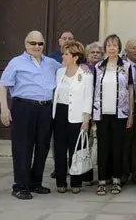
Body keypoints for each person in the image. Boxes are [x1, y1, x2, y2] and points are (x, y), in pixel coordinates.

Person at [0, 31, 62, 200]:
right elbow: (4, 85)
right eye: (33, 43)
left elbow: (69, 67)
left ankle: (35, 182)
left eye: (40, 44)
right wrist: (4, 109)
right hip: (23, 107)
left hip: (46, 109)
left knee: (42, 147)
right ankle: (20, 186)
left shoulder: (51, 63)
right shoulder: (16, 62)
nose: (37, 47)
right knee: (23, 147)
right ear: (26, 44)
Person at [92, 34, 134, 196]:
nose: (111, 48)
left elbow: (131, 91)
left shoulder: (127, 66)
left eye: (115, 45)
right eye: (109, 45)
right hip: (102, 114)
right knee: (103, 148)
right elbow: (93, 89)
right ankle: (102, 180)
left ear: (119, 48)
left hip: (120, 114)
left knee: (118, 148)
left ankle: (117, 179)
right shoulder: (98, 67)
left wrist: (131, 114)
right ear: (105, 48)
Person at [52, 41, 93, 194]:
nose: (63, 56)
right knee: (59, 149)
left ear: (75, 57)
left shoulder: (86, 74)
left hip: (77, 115)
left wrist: (86, 119)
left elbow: (88, 97)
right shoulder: (59, 72)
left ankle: (76, 182)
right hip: (60, 114)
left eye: (66, 54)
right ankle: (61, 181)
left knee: (76, 150)